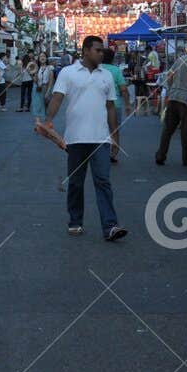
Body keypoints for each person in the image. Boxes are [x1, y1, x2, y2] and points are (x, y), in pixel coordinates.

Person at [45, 35, 127, 241]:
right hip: (75, 138)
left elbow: (110, 107)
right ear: (86, 51)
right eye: (98, 50)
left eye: (102, 50)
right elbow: (57, 97)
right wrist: (48, 121)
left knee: (103, 181)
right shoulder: (68, 72)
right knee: (76, 183)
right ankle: (75, 221)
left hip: (100, 139)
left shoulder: (106, 75)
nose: (102, 53)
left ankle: (110, 226)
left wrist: (115, 134)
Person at [155, 50, 187, 167]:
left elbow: (170, 75)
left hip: (174, 96)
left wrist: (171, 88)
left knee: (167, 129)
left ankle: (160, 155)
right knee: (186, 131)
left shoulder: (181, 58)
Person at [32, 56, 54, 121]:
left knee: (47, 108)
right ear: (38, 59)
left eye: (44, 56)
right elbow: (35, 80)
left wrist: (48, 92)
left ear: (46, 58)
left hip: (46, 88)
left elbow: (51, 81)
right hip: (37, 89)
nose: (42, 57)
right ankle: (38, 124)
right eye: (40, 56)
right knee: (37, 106)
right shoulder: (37, 68)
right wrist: (33, 75)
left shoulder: (50, 68)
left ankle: (47, 124)